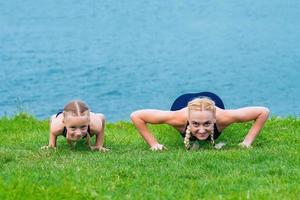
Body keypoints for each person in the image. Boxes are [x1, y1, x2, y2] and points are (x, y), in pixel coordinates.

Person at [130, 92, 269, 151]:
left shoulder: (223, 117)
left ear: (214, 119)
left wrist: (247, 142)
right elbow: (137, 116)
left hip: (211, 99)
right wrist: (154, 144)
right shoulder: (177, 118)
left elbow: (263, 111)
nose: (202, 130)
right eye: (195, 124)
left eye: (207, 124)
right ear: (188, 120)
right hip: (183, 101)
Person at [42, 100, 108, 151]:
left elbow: (102, 117)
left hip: (84, 116)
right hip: (64, 117)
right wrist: (52, 145)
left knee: (98, 118)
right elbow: (52, 119)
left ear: (88, 122)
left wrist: (99, 145)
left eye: (83, 127)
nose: (78, 133)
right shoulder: (57, 127)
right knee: (54, 119)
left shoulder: (94, 126)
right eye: (73, 127)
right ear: (64, 122)